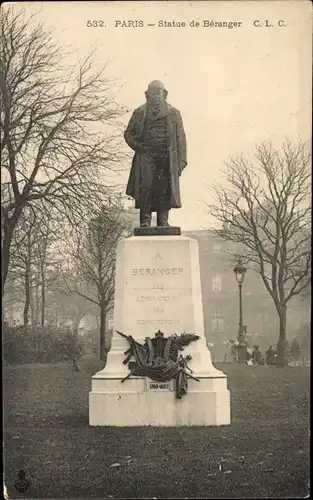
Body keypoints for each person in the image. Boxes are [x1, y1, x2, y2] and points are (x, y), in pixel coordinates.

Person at [124, 80, 187, 227]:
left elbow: (181, 138)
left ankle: (162, 220)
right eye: (153, 94)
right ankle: (145, 220)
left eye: (158, 93)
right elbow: (128, 134)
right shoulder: (139, 113)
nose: (156, 97)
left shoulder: (173, 113)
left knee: (164, 188)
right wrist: (139, 147)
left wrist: (182, 160)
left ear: (164, 94)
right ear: (147, 95)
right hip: (146, 157)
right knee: (146, 188)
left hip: (166, 158)